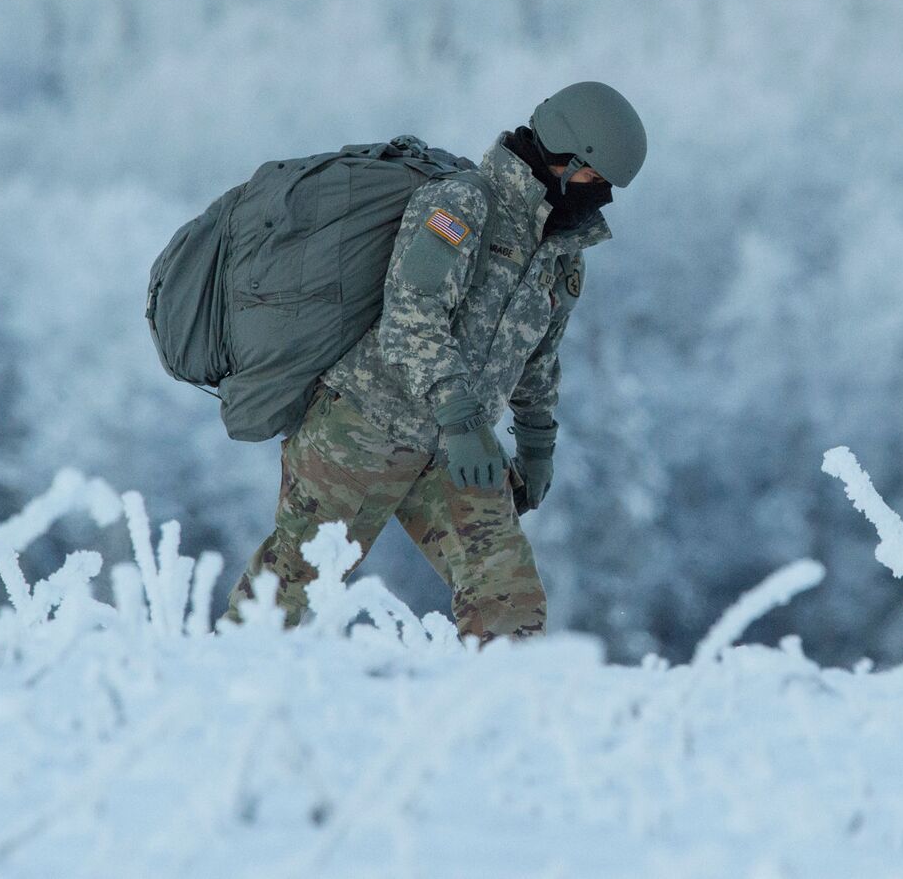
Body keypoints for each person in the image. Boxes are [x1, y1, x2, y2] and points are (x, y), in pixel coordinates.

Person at [225, 81, 647, 640]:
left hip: (456, 446)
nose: (601, 197)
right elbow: (411, 315)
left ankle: (503, 714)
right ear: (564, 157)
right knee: (294, 581)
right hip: (364, 428)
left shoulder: (559, 252)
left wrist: (538, 443)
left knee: (508, 596)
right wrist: (459, 417)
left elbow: (539, 356)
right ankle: (218, 690)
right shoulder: (462, 205)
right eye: (596, 180)